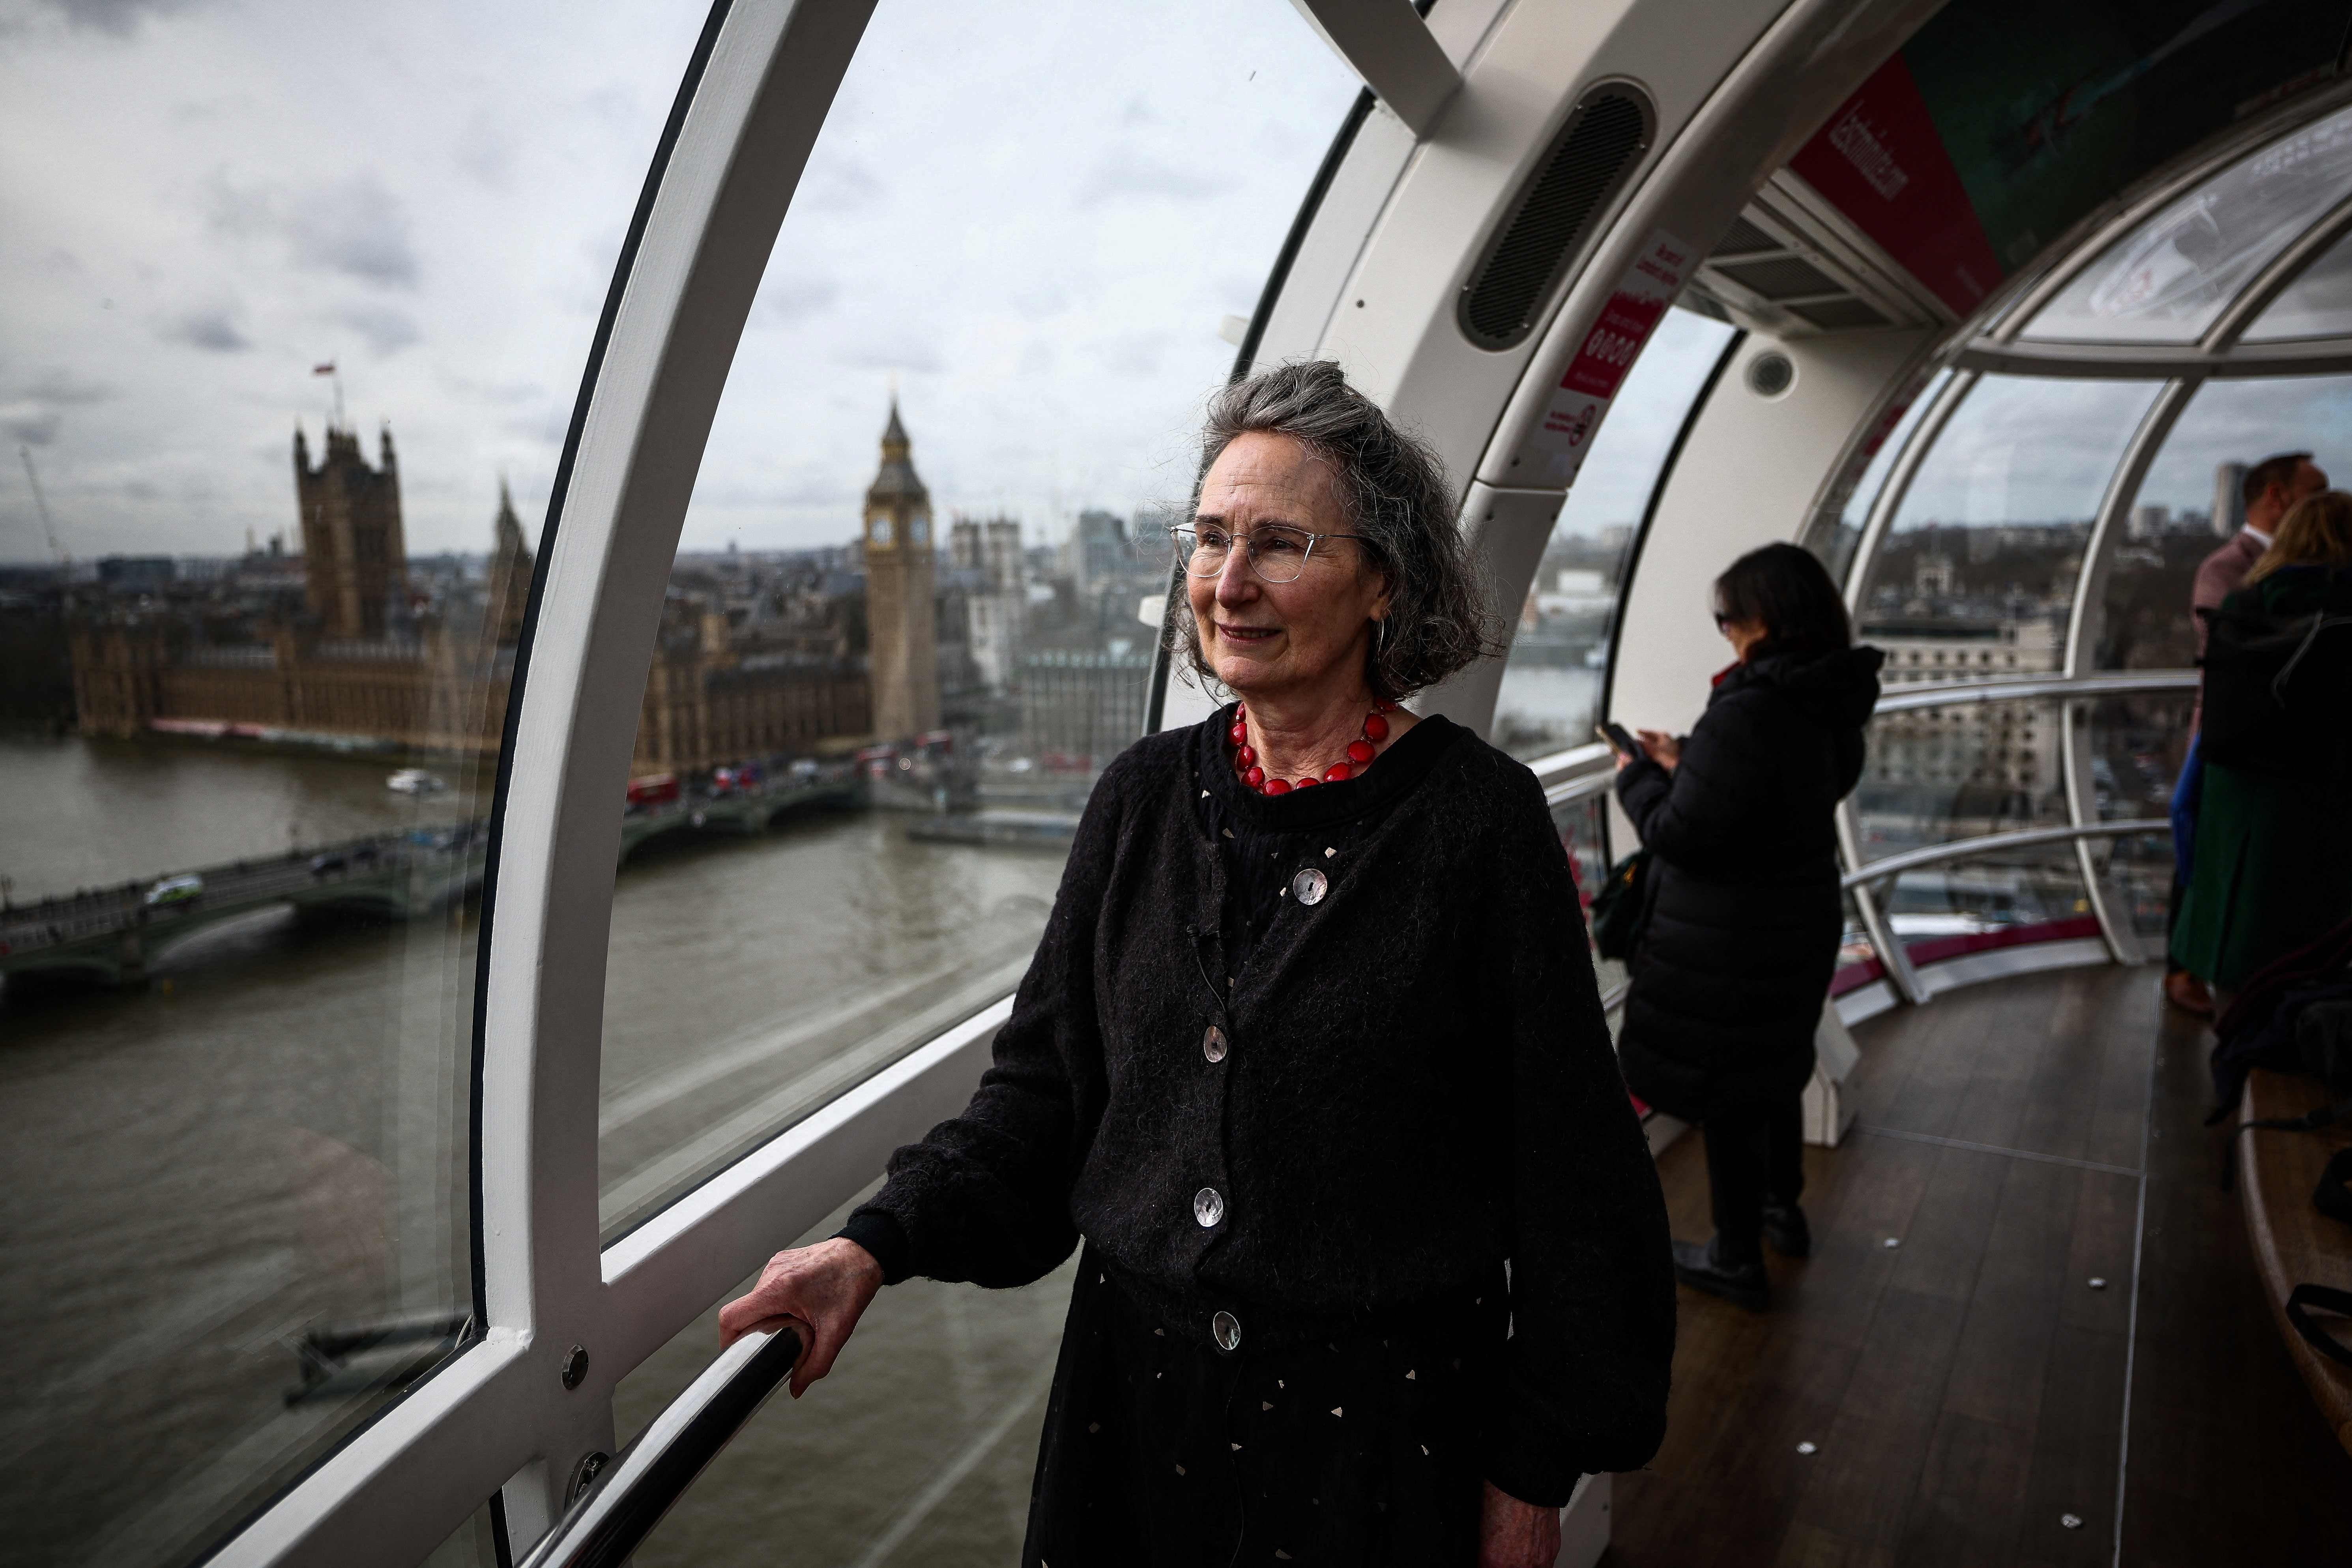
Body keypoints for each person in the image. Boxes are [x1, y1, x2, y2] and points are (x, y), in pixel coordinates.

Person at [718, 361, 1675, 1568]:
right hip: (1137, 1415)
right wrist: (873, 1242)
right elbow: (1042, 1098)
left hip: (1380, 1443)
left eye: (1280, 542)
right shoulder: (1138, 800)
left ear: (1384, 578)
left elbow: (1572, 1174)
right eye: (1210, 536)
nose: (1229, 583)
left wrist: (1531, 1465)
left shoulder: (1477, 825)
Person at [1608, 543, 1882, 1312]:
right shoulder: (1827, 698)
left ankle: (1734, 1256)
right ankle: (1779, 1210)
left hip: (1731, 937)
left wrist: (1636, 774)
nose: (1724, 632)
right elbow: (1775, 786)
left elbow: (1678, 833)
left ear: (1763, 620)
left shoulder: (1750, 710)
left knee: (1728, 1090)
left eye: (1727, 619)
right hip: (1795, 918)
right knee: (1774, 1067)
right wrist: (1693, 758)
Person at [2171, 489, 2352, 1009]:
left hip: (2235, 816)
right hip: (2320, 821)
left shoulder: (2242, 606)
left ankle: (2229, 1078)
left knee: (2240, 992)